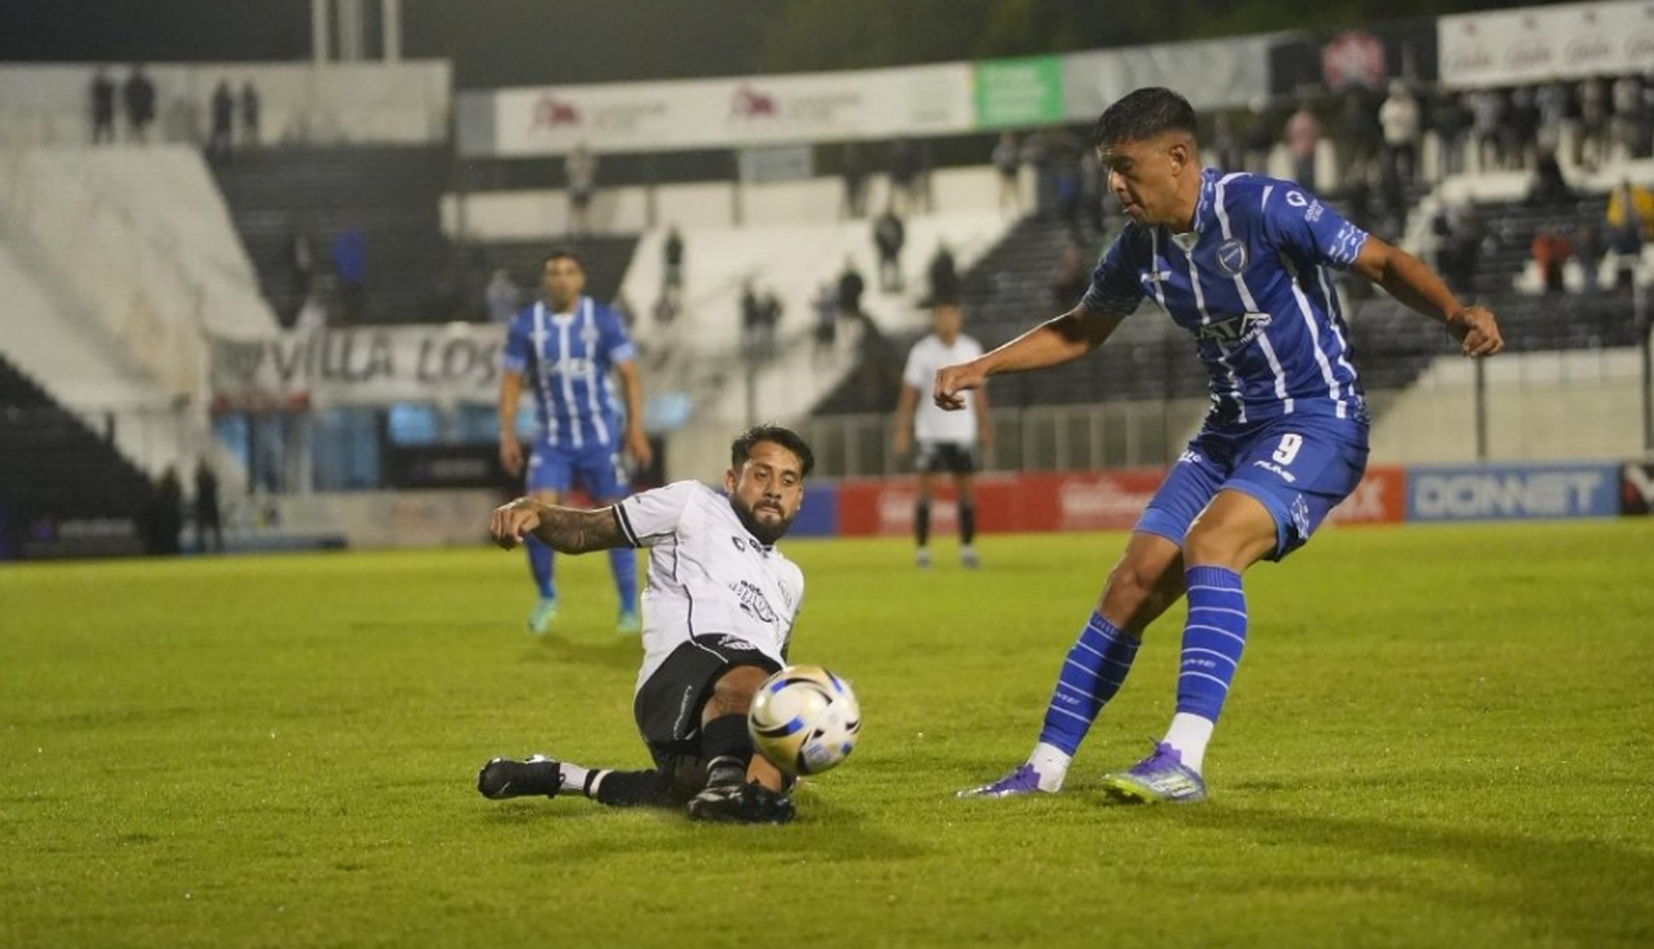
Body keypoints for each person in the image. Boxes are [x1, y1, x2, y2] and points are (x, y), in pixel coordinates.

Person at [935, 87, 1503, 804]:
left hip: (1316, 420)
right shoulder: (1138, 249)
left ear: (1178, 157)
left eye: (1125, 167)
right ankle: (1043, 768)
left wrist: (1454, 314)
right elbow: (1081, 329)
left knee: (1212, 543)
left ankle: (1182, 758)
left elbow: (1382, 262)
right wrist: (982, 367)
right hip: (1227, 431)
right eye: (1108, 170)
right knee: (1133, 580)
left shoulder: (1263, 206)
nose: (1113, 185)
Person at [477, 425, 815, 824]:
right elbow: (587, 530)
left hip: (729, 710)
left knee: (742, 778)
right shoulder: (692, 504)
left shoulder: (791, 579)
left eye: (787, 481)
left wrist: (786, 746)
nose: (774, 490)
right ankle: (727, 783)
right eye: (761, 475)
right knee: (750, 681)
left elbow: (776, 667)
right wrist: (535, 510)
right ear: (731, 479)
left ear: (799, 498)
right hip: (678, 679)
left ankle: (563, 776)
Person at [499, 249, 653, 635]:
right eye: (553, 272)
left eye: (568, 271)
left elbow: (629, 375)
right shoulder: (526, 325)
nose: (561, 278)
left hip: (600, 440)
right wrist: (507, 434)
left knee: (616, 519)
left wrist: (635, 429)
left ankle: (627, 609)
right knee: (534, 513)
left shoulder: (603, 320)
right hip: (552, 440)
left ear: (581, 279)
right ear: (545, 280)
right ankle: (546, 595)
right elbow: (511, 381)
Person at [893, 301, 991, 570]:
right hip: (931, 433)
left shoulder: (971, 348)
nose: (946, 320)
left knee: (966, 492)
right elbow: (909, 393)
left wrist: (984, 425)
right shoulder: (922, 351)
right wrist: (902, 429)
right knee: (925, 492)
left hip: (962, 432)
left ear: (959, 318)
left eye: (951, 315)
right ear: (935, 319)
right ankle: (923, 550)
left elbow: (979, 393)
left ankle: (967, 549)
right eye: (941, 316)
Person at [564, 143, 597, 238]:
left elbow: (590, 174)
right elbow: (570, 175)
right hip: (577, 188)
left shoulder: (587, 163)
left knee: (582, 211)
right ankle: (572, 230)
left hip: (583, 188)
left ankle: (584, 230)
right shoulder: (573, 164)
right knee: (575, 211)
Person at [193, 457, 223, 553]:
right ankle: (204, 548)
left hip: (205, 505)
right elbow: (214, 485)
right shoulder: (203, 476)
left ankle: (214, 547)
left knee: (211, 530)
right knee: (206, 530)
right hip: (207, 505)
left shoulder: (201, 476)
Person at [90, 67, 116, 144]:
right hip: (101, 105)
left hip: (104, 105)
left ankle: (108, 139)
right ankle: (98, 139)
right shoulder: (99, 84)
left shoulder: (100, 84)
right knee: (100, 124)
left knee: (106, 124)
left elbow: (111, 93)